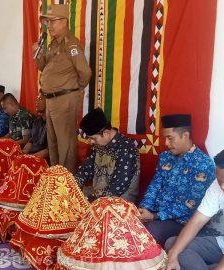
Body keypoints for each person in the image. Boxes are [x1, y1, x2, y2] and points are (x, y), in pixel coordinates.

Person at [138, 114, 215, 246]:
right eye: (165, 138)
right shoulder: (165, 157)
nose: (166, 143)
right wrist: (144, 209)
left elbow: (189, 205)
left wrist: (154, 216)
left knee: (147, 233)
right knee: (127, 224)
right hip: (154, 214)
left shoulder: (203, 164)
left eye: (170, 138)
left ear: (185, 135)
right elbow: (154, 186)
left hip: (179, 221)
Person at [34, 4, 92, 173]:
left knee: (65, 144)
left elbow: (85, 72)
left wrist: (75, 90)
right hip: (51, 100)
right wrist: (37, 54)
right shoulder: (53, 44)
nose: (49, 26)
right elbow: (43, 68)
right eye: (47, 22)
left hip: (65, 99)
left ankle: (67, 183)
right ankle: (56, 179)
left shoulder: (71, 44)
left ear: (64, 22)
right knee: (53, 143)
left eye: (52, 22)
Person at [75, 108, 140, 202]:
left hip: (119, 203)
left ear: (106, 133)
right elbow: (86, 170)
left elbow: (117, 188)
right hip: (97, 196)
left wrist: (89, 199)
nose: (90, 142)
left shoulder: (126, 148)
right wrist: (71, 185)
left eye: (93, 138)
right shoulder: (98, 144)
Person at [22, 95, 48, 159]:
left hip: (44, 160)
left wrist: (30, 158)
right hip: (32, 155)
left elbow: (49, 151)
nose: (36, 102)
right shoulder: (37, 120)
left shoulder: (53, 123)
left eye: (40, 99)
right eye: (37, 99)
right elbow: (31, 140)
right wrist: (22, 154)